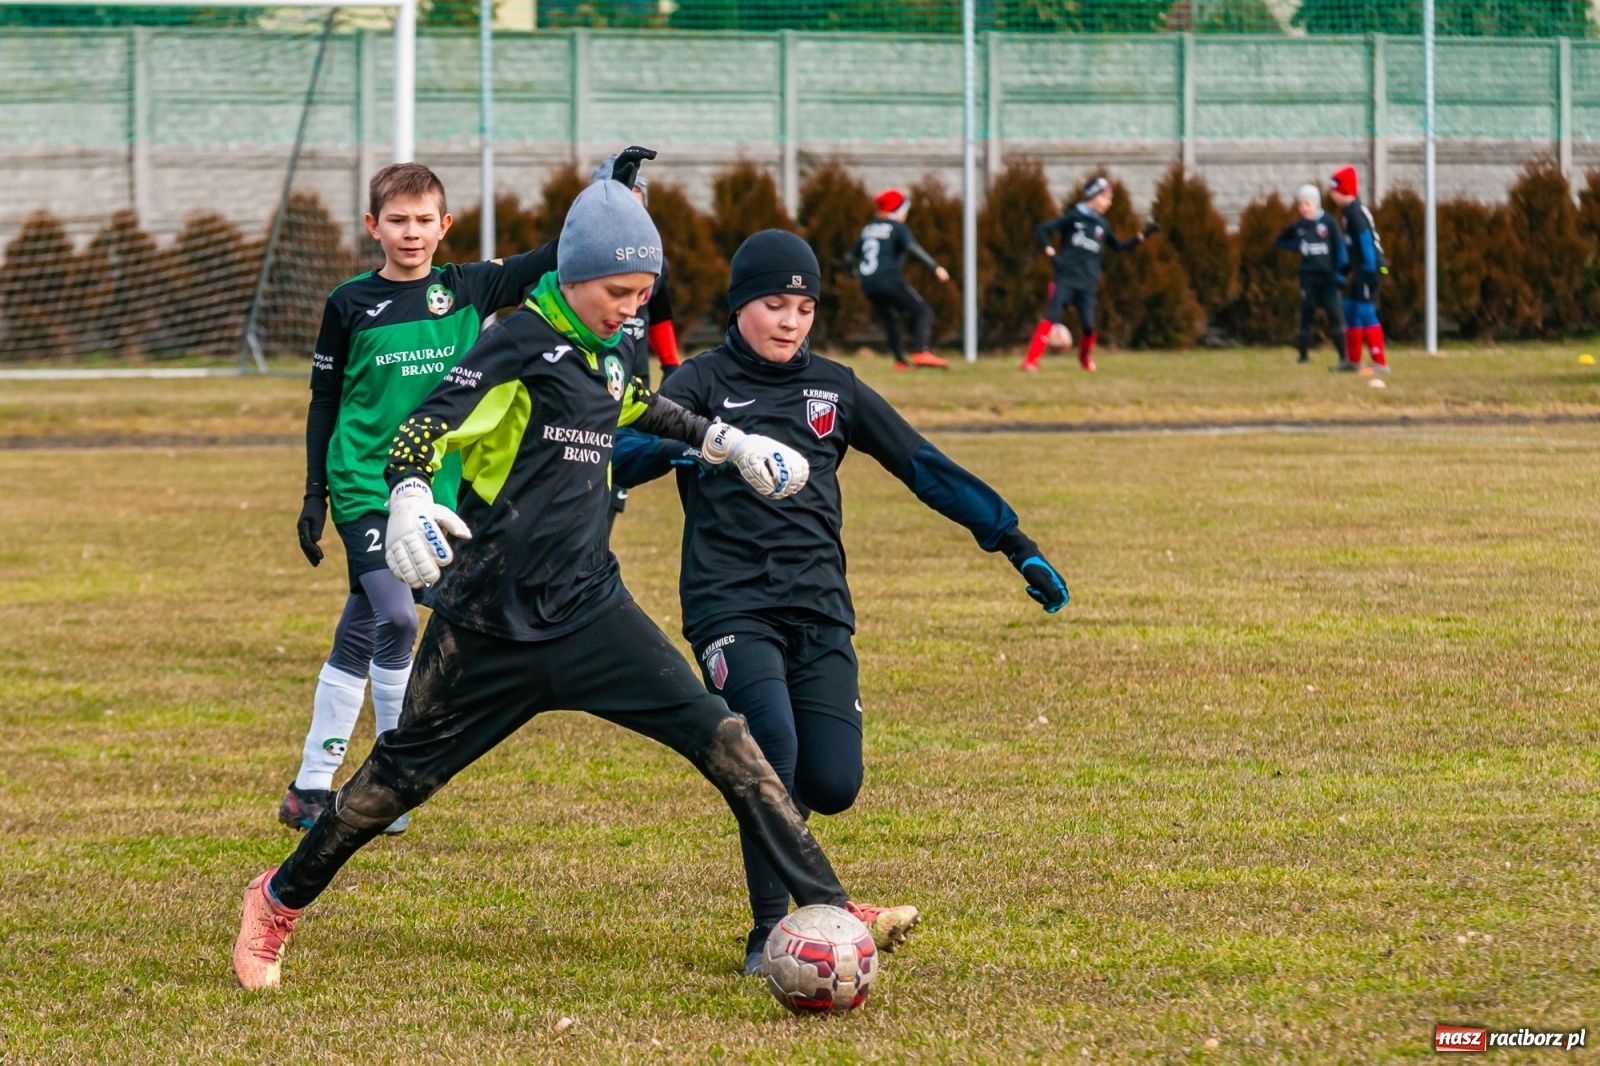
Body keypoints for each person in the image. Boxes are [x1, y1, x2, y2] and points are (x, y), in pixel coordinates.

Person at [232, 179, 919, 992]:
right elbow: (426, 422)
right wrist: (410, 494)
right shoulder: (517, 341)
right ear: (573, 275)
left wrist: (726, 442)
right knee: (389, 788)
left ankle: (827, 903)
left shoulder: (610, 346)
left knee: (728, 739)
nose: (631, 310)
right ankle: (275, 901)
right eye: (618, 293)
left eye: (642, 294)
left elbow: (638, 404)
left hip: (594, 611)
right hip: (489, 625)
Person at [613, 229, 1070, 975]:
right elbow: (620, 456)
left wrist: (1012, 539)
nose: (790, 321)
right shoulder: (698, 383)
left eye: (804, 308)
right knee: (770, 749)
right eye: (774, 304)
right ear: (739, 305)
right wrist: (706, 443)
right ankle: (772, 932)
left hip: (820, 607)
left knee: (832, 783)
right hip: (731, 606)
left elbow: (922, 465)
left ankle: (787, 862)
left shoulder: (835, 387)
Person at [286, 162, 549, 836]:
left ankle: (310, 786)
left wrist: (612, 194)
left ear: (444, 226)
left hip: (434, 490)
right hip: (363, 484)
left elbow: (553, 258)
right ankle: (392, 784)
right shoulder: (349, 303)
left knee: (364, 627)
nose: (411, 232)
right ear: (372, 226)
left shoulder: (469, 289)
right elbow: (324, 402)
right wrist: (315, 493)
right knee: (400, 620)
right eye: (397, 220)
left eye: (424, 220)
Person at [588, 151, 683, 530]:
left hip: (631, 391)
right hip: (587, 392)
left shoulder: (654, 262)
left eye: (635, 206)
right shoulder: (577, 259)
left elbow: (660, 316)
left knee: (615, 488)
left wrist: (671, 364)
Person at [1021, 176, 1157, 374]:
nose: (1108, 203)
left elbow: (1118, 246)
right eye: (1105, 197)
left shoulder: (1102, 224)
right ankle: (1031, 362)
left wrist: (1143, 235)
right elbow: (1042, 229)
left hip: (1087, 285)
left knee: (1088, 327)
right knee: (1051, 317)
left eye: (1110, 199)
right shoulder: (1073, 217)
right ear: (1093, 196)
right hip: (1065, 279)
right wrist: (1051, 253)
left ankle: (1084, 359)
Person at [849, 188, 950, 371]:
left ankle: (900, 361)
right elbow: (912, 247)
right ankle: (922, 351)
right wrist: (935, 267)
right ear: (897, 211)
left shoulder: (868, 228)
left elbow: (849, 257)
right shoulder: (897, 227)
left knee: (891, 316)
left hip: (869, 284)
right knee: (923, 310)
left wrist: (854, 274)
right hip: (889, 280)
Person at [1275, 184, 1349, 367]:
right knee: (1306, 314)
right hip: (1308, 278)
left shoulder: (1329, 222)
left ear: (1316, 203)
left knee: (1335, 314)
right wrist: (1296, 246)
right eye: (1300, 204)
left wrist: (1340, 273)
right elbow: (1281, 240)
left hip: (1328, 279)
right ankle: (1303, 356)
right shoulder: (1299, 225)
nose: (1303, 208)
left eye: (1307, 204)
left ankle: (1343, 357)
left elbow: (1340, 248)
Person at [1329, 165, 1389, 374]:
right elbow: (1352, 245)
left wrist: (1371, 271)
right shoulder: (1347, 212)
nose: (1332, 194)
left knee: (1365, 310)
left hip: (1371, 268)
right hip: (1362, 268)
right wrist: (1344, 269)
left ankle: (1380, 363)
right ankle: (1353, 362)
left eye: (1335, 189)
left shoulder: (1355, 213)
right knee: (1350, 308)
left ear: (1345, 190)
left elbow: (1365, 241)